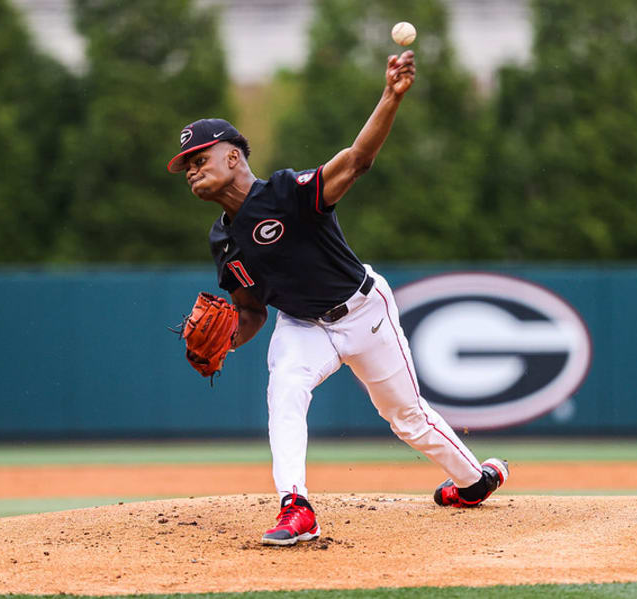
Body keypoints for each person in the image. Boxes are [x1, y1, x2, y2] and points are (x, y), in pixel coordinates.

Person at [166, 50, 508, 546]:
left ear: (233, 156)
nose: (193, 171)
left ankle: (474, 482)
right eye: (187, 168)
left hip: (364, 311)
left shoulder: (286, 192)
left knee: (407, 418)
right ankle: (296, 506)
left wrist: (390, 96)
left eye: (200, 159)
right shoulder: (223, 240)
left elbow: (357, 161)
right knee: (284, 389)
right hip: (303, 326)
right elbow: (250, 310)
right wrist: (226, 342)